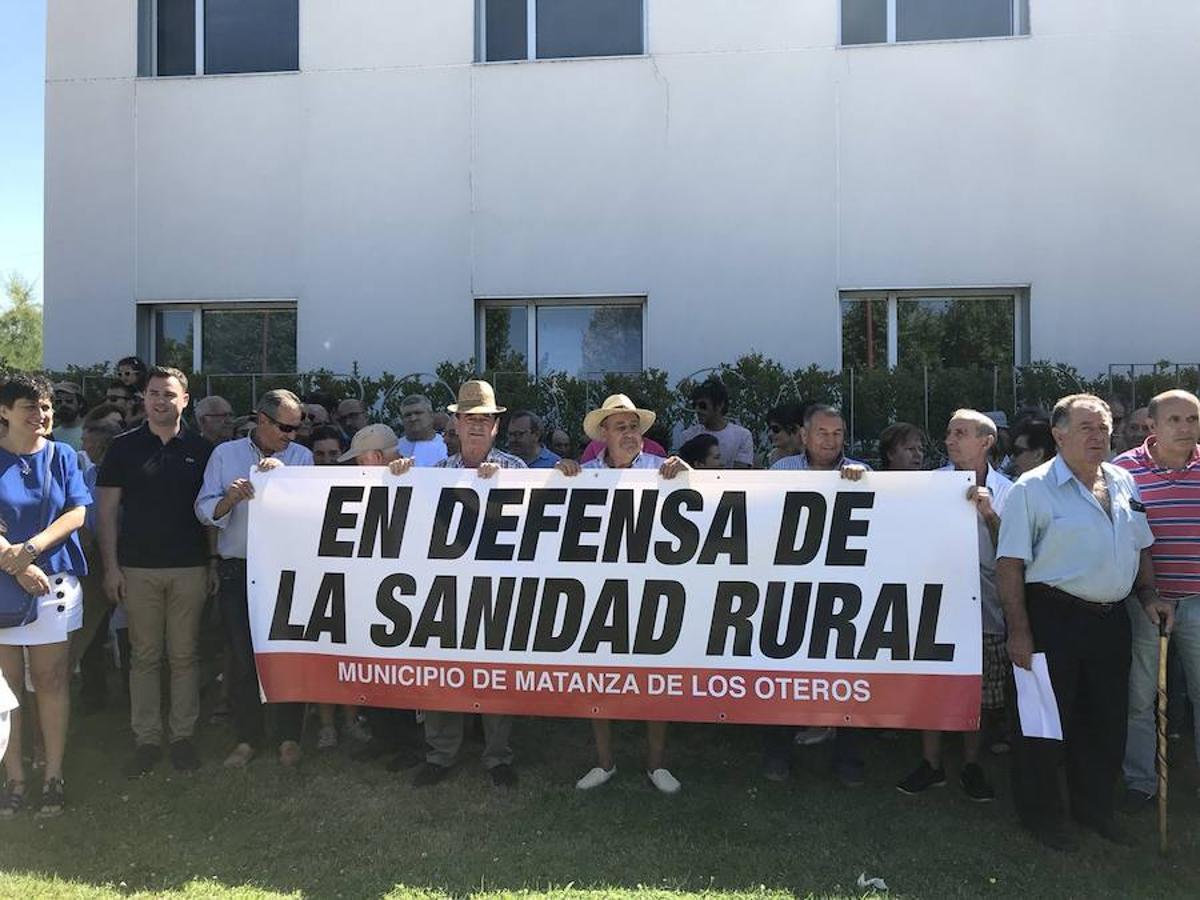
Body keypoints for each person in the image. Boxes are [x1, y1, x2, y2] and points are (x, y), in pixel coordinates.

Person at [997, 393, 1172, 851]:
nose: (1100, 436)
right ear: (1058, 434)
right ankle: (1042, 817)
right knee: (1045, 725)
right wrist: (1019, 630)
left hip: (1112, 620)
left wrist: (1149, 594)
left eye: (1105, 427)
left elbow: (1142, 545)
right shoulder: (1030, 489)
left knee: (1105, 720)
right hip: (1053, 616)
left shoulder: (1122, 481)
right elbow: (1010, 564)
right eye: (1088, 428)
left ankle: (1094, 810)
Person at [555, 394, 692, 794]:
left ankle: (656, 765)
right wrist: (562, 475)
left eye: (634, 426)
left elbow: (700, 503)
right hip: (600, 589)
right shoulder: (584, 473)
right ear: (604, 434)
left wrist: (687, 473)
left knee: (656, 678)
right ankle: (605, 762)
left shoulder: (660, 468)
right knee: (599, 680)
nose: (630, 434)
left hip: (652, 586)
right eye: (621, 427)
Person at [389, 380, 522, 789]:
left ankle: (498, 755)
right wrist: (396, 479)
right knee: (441, 671)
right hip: (444, 589)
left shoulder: (517, 471)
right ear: (457, 424)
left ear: (495, 426)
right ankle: (440, 754)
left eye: (485, 420)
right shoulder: (433, 474)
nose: (477, 427)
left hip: (497, 588)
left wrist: (502, 487)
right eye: (469, 419)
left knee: (496, 672)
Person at [97, 367, 214, 778]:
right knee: (144, 657)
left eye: (168, 394)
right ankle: (147, 738)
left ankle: (182, 736)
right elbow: (107, 513)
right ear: (143, 399)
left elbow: (210, 513)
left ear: (185, 400)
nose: (159, 400)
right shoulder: (122, 448)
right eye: (152, 393)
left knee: (185, 655)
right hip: (137, 568)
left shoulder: (202, 449)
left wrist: (212, 561)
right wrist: (111, 568)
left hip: (190, 566)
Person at [896, 410, 1011, 802]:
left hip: (987, 606)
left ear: (986, 441)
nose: (949, 440)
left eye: (960, 433)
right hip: (935, 605)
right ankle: (931, 764)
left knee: (976, 690)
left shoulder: (1010, 491)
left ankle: (971, 765)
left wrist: (989, 514)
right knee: (932, 683)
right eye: (948, 433)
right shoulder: (931, 485)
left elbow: (1014, 554)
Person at [195, 390, 313, 769]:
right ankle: (248, 738)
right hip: (239, 568)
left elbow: (314, 514)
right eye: (285, 427)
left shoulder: (302, 458)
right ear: (261, 419)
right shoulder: (225, 455)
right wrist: (229, 500)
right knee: (244, 657)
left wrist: (288, 488)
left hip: (285, 569)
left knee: (287, 655)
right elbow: (202, 509)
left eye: (296, 428)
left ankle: (289, 736)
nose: (291, 435)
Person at [0, 373, 90, 817]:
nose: (41, 415)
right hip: (3, 582)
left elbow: (76, 511)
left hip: (53, 581)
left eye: (47, 407)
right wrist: (13, 563)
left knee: (52, 680)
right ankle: (14, 777)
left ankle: (53, 773)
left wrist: (32, 549)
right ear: (5, 412)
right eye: (30, 407)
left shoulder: (63, 455)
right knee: (7, 688)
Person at [766, 403, 868, 783]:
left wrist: (865, 486)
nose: (831, 440)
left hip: (842, 592)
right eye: (823, 433)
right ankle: (777, 752)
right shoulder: (780, 472)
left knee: (847, 674)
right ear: (805, 436)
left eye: (838, 433)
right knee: (781, 671)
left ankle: (848, 759)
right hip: (790, 588)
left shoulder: (863, 473)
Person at [1112, 390, 1200, 811]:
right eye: (1176, 420)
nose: (1186, 428)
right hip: (1145, 601)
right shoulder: (1122, 471)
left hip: (1199, 601)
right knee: (1141, 695)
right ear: (1153, 425)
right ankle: (1140, 781)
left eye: (1193, 419)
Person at [680, 379, 754, 468]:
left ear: (720, 405)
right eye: (695, 405)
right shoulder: (688, 436)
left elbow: (740, 475)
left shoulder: (742, 436)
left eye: (703, 405)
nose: (697, 410)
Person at [396, 394, 448, 466]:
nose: (413, 418)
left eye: (418, 413)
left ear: (431, 415)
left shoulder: (446, 445)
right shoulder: (395, 449)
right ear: (402, 419)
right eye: (408, 415)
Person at [765, 401, 806, 466]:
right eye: (769, 429)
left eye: (775, 429)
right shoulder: (772, 457)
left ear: (794, 428)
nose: (770, 434)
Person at [50, 382, 85, 451]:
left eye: (69, 401)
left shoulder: (91, 432)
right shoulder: (51, 435)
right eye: (58, 402)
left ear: (80, 404)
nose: (63, 404)